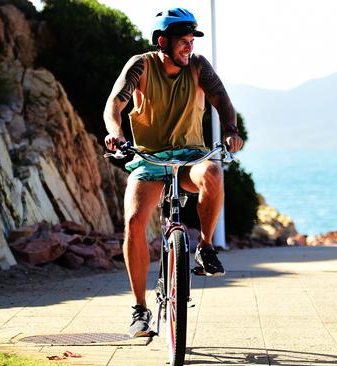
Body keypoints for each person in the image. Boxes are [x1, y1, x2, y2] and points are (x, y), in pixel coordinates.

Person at [103, 7, 243, 337]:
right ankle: (140, 310)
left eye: (192, 41)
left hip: (190, 158)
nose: (189, 46)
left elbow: (222, 100)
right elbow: (115, 104)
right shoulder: (141, 65)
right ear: (163, 41)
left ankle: (205, 247)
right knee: (135, 223)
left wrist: (231, 131)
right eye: (183, 41)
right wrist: (115, 132)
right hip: (149, 159)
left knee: (213, 173)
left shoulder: (198, 67)